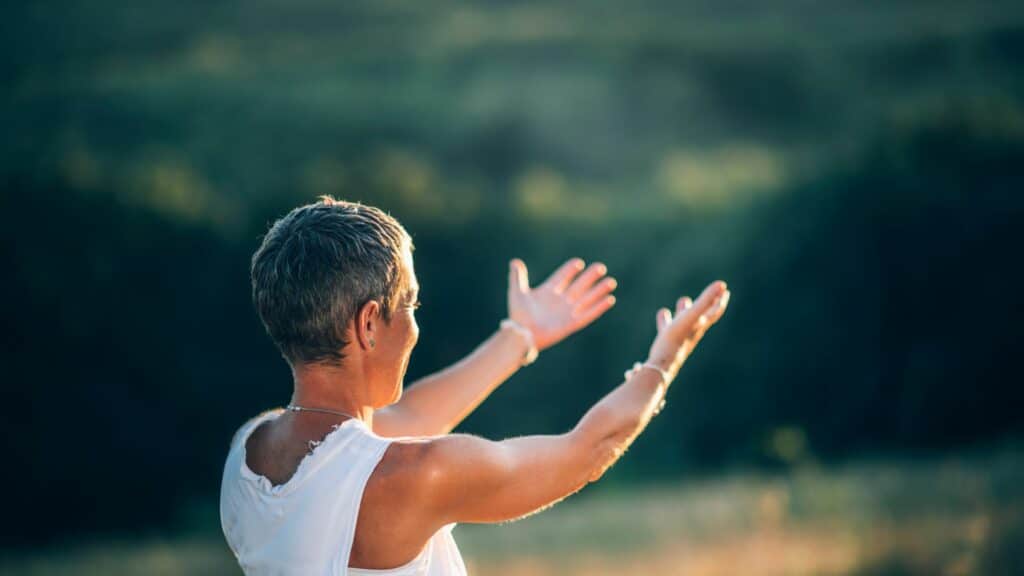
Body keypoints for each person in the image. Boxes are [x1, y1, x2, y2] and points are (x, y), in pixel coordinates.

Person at [220, 196, 730, 575]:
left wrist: (520, 336)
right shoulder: (413, 478)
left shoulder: (249, 450)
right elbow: (587, 451)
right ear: (369, 323)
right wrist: (666, 357)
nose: (416, 326)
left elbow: (407, 421)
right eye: (411, 305)